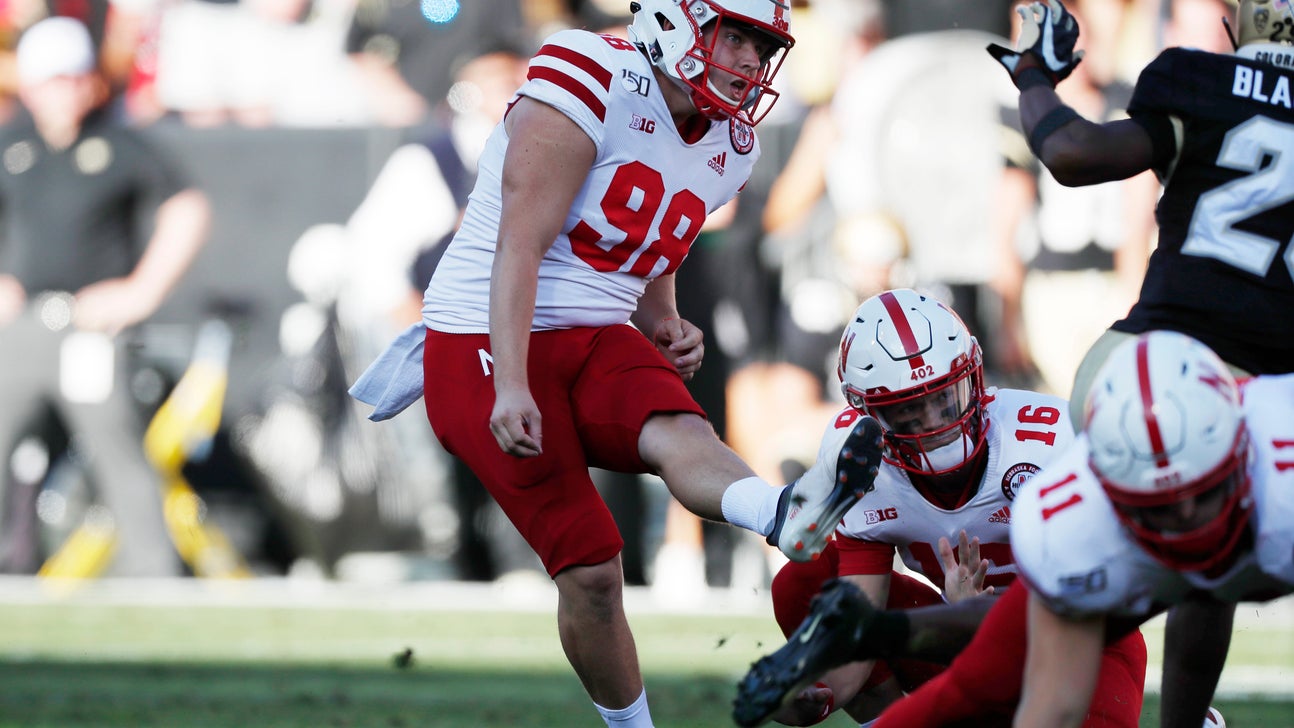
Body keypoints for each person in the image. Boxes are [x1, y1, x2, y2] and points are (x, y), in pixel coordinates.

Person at [349, 3, 887, 726]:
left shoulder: (730, 141)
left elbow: (651, 237)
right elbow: (519, 245)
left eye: (762, 47)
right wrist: (511, 382)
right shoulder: (589, 76)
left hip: (596, 331)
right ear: (674, 21)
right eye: (735, 36)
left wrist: (661, 316)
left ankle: (785, 514)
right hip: (485, 336)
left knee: (684, 434)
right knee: (594, 571)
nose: (751, 62)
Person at [734, 331, 1275, 728]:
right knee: (804, 581)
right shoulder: (863, 463)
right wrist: (814, 695)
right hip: (974, 624)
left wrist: (964, 618)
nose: (933, 423)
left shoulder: (1051, 451)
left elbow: (1112, 601)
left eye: (942, 397)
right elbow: (866, 629)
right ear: (868, 412)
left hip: (1078, 627)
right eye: (908, 411)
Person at [985, 0, 1294, 428]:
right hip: (1271, 387)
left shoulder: (1201, 82)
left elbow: (1069, 150)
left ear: (1238, 29)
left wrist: (1031, 72)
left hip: (1154, 355)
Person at [0, 17, 211, 576]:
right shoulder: (12, 146)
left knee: (119, 450)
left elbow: (187, 208)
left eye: (74, 77)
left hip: (89, 329)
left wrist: (141, 291)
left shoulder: (120, 146)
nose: (65, 91)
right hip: (21, 326)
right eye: (53, 79)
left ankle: (152, 575)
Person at [990, 0, 1159, 399]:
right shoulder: (1018, 116)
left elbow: (1138, 215)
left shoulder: (1125, 99)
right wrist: (1007, 316)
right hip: (1053, 291)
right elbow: (1006, 220)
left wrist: (1134, 296)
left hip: (1115, 283)